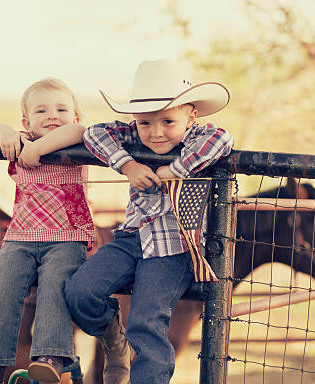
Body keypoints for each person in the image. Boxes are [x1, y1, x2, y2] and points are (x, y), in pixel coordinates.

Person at [64, 59, 234, 384]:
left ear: (191, 116)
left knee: (146, 322)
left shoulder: (197, 138)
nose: (155, 133)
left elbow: (223, 140)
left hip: (174, 245)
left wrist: (174, 170)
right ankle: (114, 338)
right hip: (131, 238)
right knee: (80, 291)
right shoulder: (133, 137)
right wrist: (127, 164)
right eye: (145, 123)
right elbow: (95, 134)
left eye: (168, 121)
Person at [0, 78, 95, 384]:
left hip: (67, 237)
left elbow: (77, 130)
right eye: (41, 110)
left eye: (62, 109)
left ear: (75, 116)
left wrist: (38, 149)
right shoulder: (19, 140)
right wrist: (6, 132)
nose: (52, 115)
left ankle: (50, 356)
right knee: (4, 290)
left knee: (55, 287)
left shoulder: (76, 141)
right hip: (20, 237)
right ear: (27, 122)